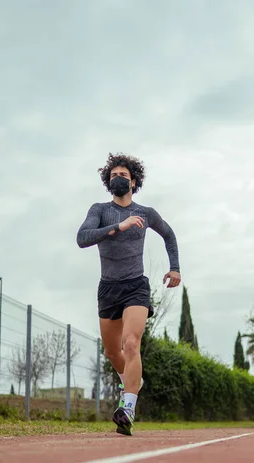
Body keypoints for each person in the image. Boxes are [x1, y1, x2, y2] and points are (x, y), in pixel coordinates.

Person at [76, 153, 181, 436]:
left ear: (133, 181)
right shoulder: (99, 210)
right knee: (113, 351)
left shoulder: (146, 213)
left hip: (136, 285)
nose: (117, 180)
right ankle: (133, 381)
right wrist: (117, 227)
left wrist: (175, 268)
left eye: (123, 176)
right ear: (108, 184)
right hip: (108, 288)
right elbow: (82, 238)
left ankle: (128, 408)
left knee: (131, 343)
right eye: (113, 177)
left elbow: (169, 235)